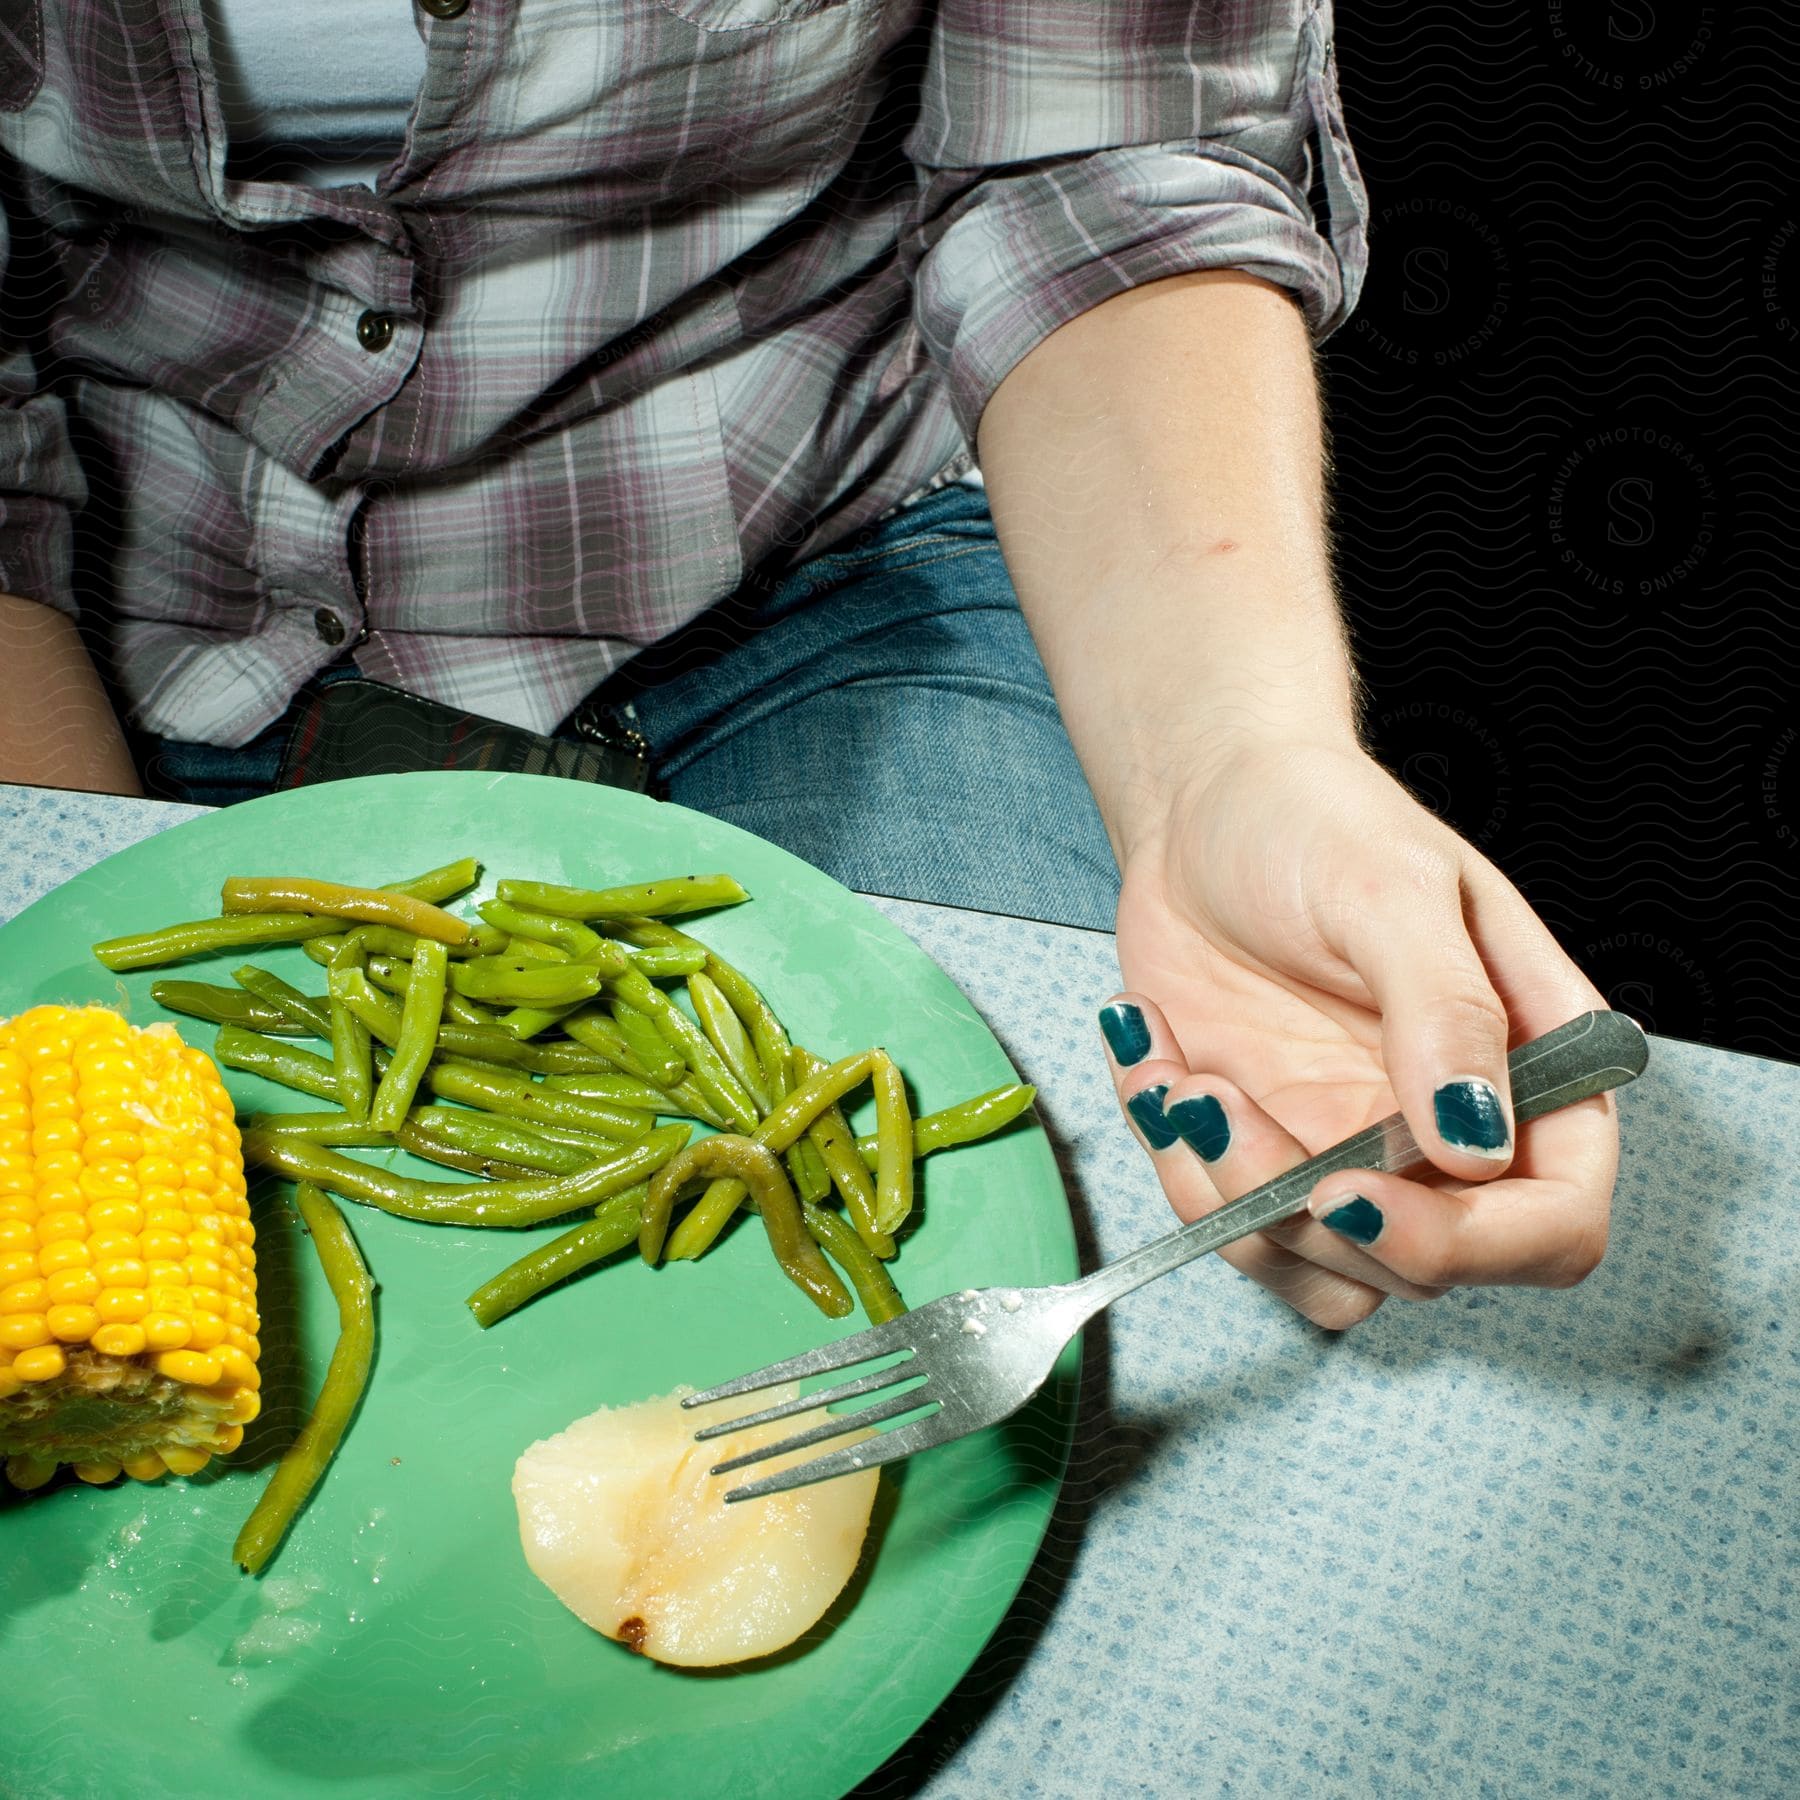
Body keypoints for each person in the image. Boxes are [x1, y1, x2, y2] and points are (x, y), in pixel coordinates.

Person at [0, 1, 1616, 1327]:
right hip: (115, 581)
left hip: (834, 543)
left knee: (1083, 1279)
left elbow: (1109, 160)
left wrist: (1232, 767)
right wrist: (62, 1000)